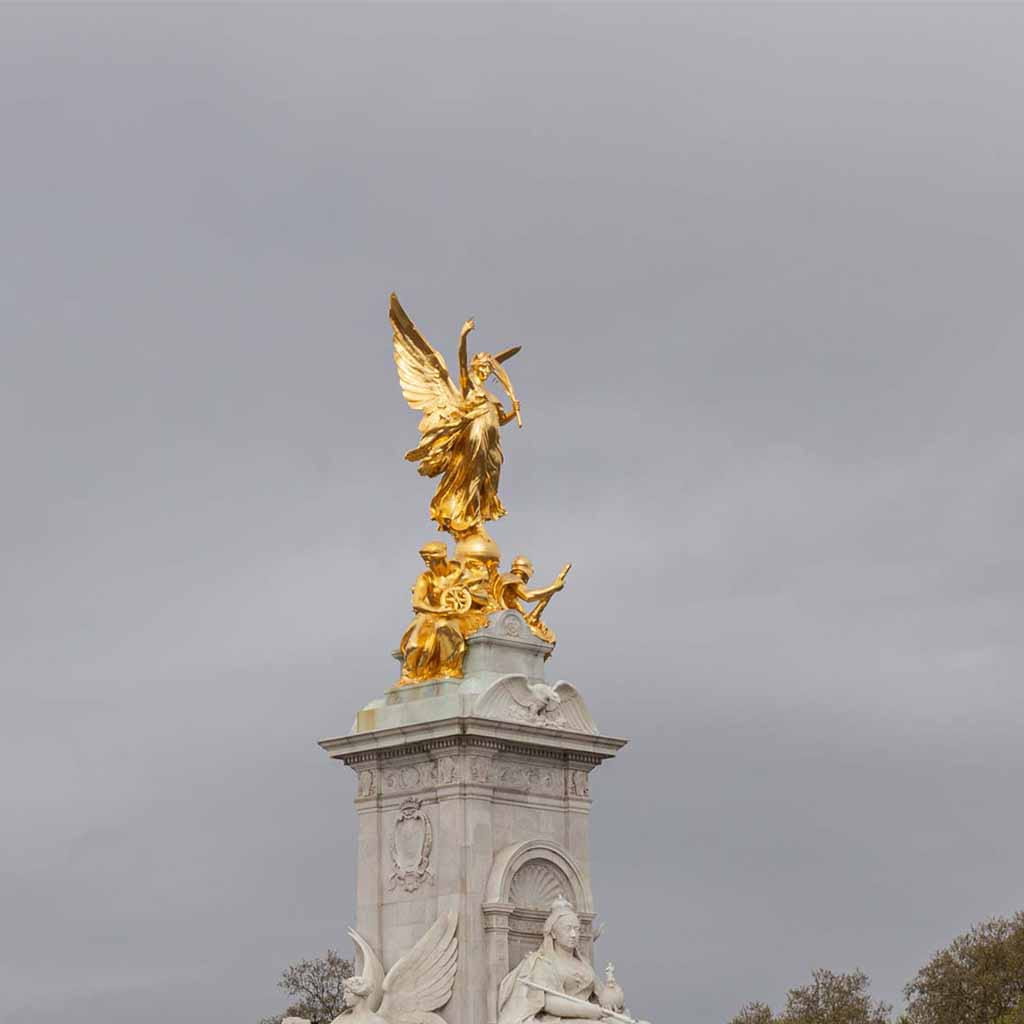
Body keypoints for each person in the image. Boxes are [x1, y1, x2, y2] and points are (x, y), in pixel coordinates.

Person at [497, 898, 616, 1024]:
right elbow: (546, 1002)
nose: (573, 934)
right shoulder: (543, 962)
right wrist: (588, 1011)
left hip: (588, 1015)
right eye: (568, 929)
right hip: (559, 1019)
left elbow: (602, 995)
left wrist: (611, 999)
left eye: (577, 929)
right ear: (553, 933)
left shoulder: (584, 964)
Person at [398, 542, 467, 683]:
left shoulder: (459, 572)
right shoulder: (425, 577)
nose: (428, 562)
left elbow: (474, 594)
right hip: (431, 614)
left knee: (444, 627)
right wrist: (437, 610)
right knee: (414, 644)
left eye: (431, 558)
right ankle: (410, 675)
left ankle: (448, 669)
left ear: (442, 556)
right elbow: (417, 602)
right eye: (425, 559)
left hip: (459, 615)